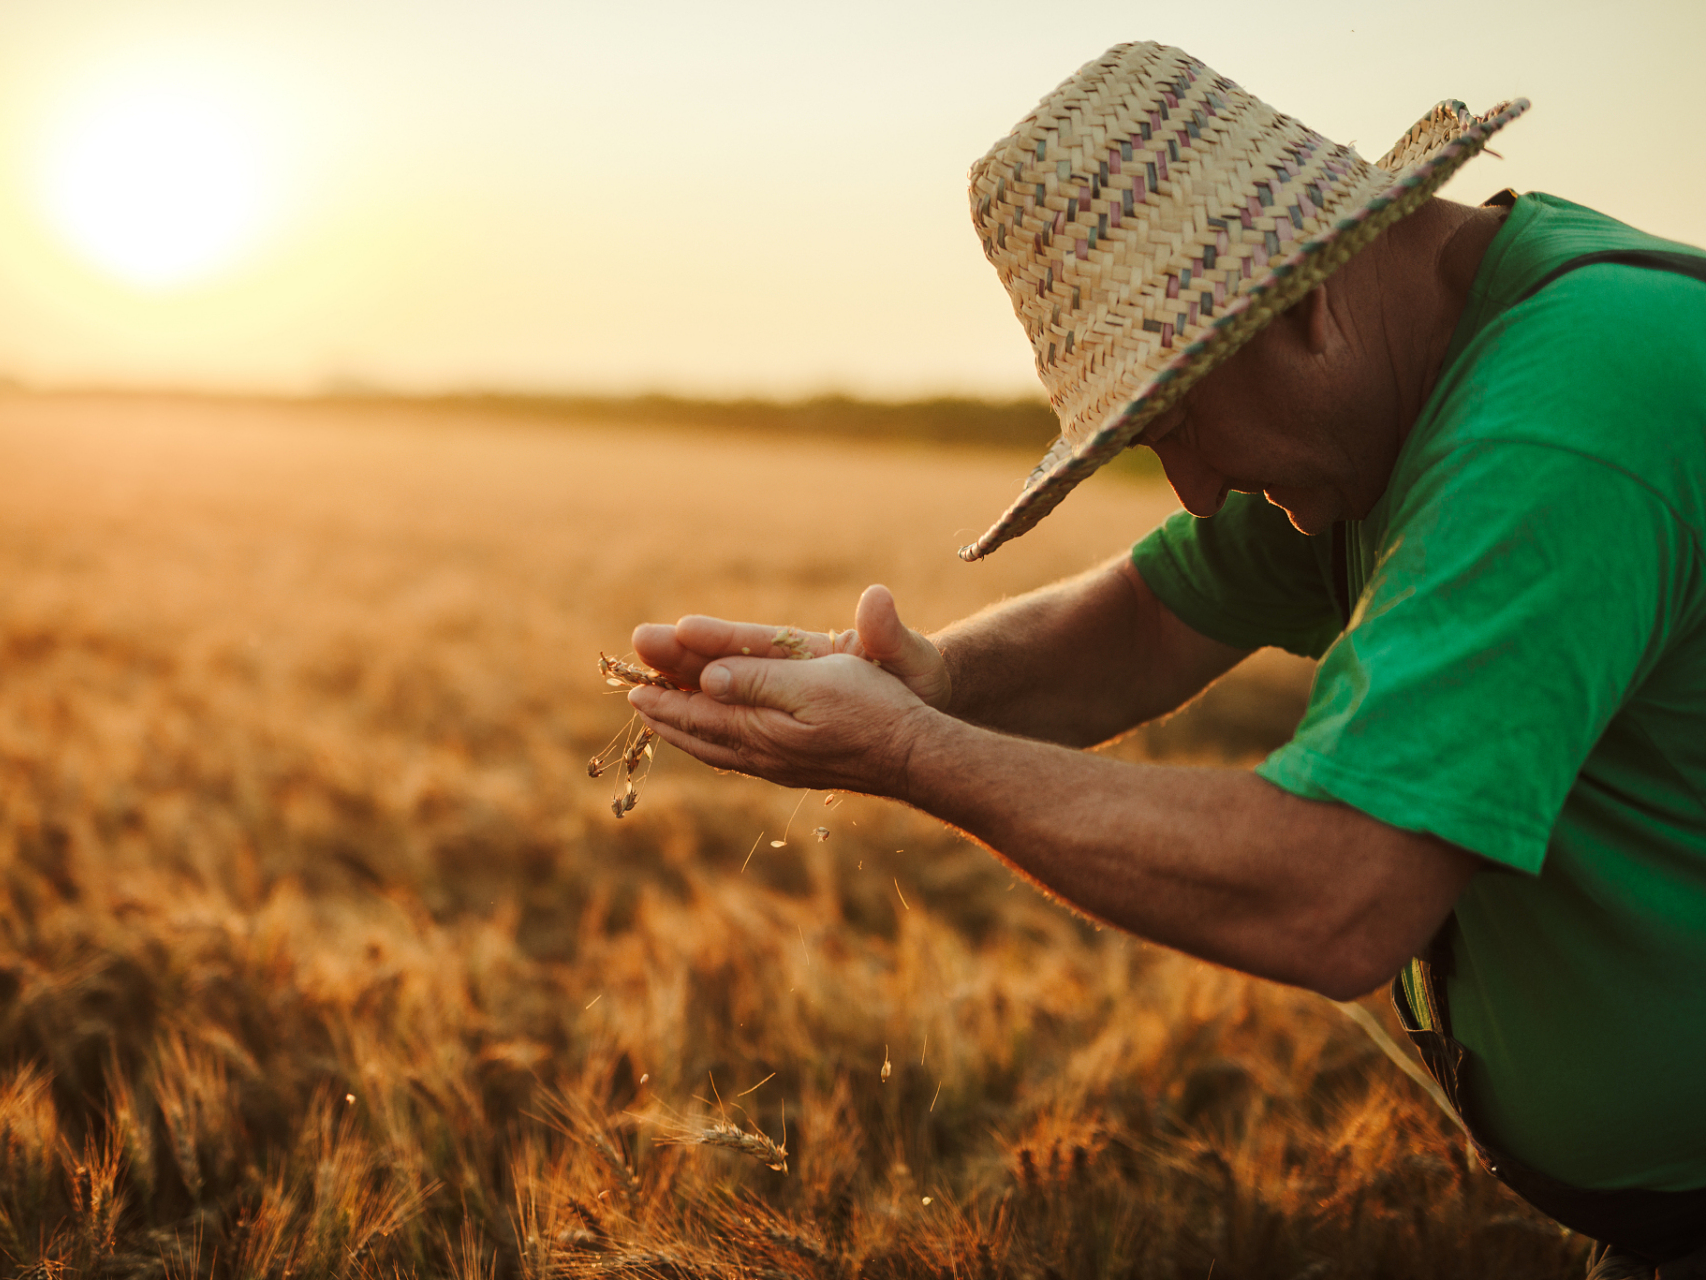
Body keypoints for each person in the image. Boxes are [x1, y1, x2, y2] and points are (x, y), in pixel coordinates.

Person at [624, 42, 1706, 1275]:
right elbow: (1148, 617)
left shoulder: (1559, 427)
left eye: (1178, 419)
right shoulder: (1411, 381)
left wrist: (914, 754)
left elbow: (1337, 889)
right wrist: (928, 681)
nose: (1192, 487)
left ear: (1303, 300)